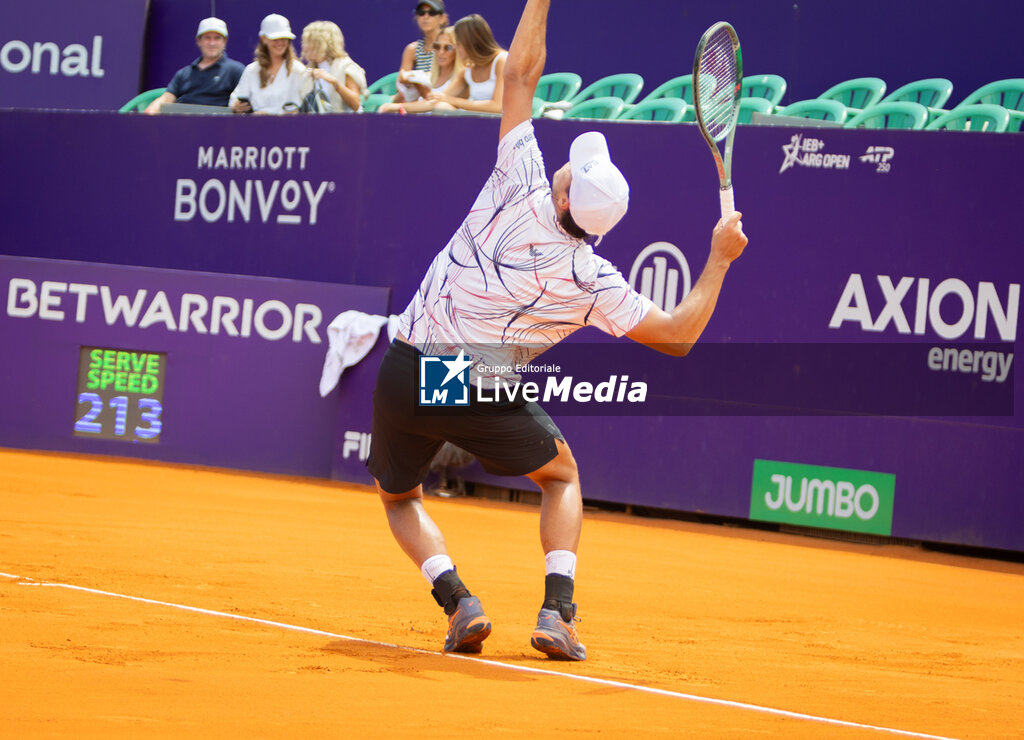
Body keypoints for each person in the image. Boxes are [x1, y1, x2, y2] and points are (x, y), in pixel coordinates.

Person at [366, 0, 748, 661]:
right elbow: (680, 334)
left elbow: (521, 75)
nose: (564, 168)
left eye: (570, 172)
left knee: (399, 498)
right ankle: (557, 612)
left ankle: (459, 601)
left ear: (567, 197)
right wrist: (717, 261)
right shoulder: (594, 279)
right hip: (474, 382)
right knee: (562, 476)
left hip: (409, 367)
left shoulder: (521, 184)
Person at [144, 17, 244, 114]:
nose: (212, 43)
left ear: (224, 42)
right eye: (207, 38)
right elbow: (167, 97)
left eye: (217, 38)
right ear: (198, 41)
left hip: (218, 126)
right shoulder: (183, 74)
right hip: (180, 125)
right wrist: (152, 110)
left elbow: (241, 104)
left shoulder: (236, 70)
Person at [428, 13, 507, 114]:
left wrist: (452, 100)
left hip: (499, 125)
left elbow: (498, 106)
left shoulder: (502, 61)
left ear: (471, 42)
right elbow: (438, 99)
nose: (456, 47)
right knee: (441, 106)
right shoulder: (467, 71)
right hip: (475, 123)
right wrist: (402, 106)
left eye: (459, 43)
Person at [229, 14, 305, 115]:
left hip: (290, 129)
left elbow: (304, 108)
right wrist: (236, 106)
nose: (280, 43)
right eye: (275, 39)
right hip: (256, 128)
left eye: (284, 38)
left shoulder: (298, 70)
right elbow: (235, 100)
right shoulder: (252, 70)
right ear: (263, 39)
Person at [378, 26, 460, 114]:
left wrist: (398, 106)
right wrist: (411, 83)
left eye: (448, 47)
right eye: (437, 46)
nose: (441, 52)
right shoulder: (426, 76)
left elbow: (435, 103)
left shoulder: (461, 77)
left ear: (458, 49)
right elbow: (402, 87)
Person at [298, 21, 367, 113]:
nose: (303, 46)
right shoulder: (310, 70)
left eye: (308, 42)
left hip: (346, 123)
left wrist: (335, 83)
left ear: (320, 44)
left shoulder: (346, 66)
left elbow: (356, 105)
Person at [394, 0, 449, 103]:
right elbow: (401, 81)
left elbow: (448, 78)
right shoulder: (412, 49)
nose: (426, 17)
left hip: (444, 99)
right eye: (421, 13)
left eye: (432, 12)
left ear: (442, 18)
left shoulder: (450, 45)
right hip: (421, 101)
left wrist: (415, 78)